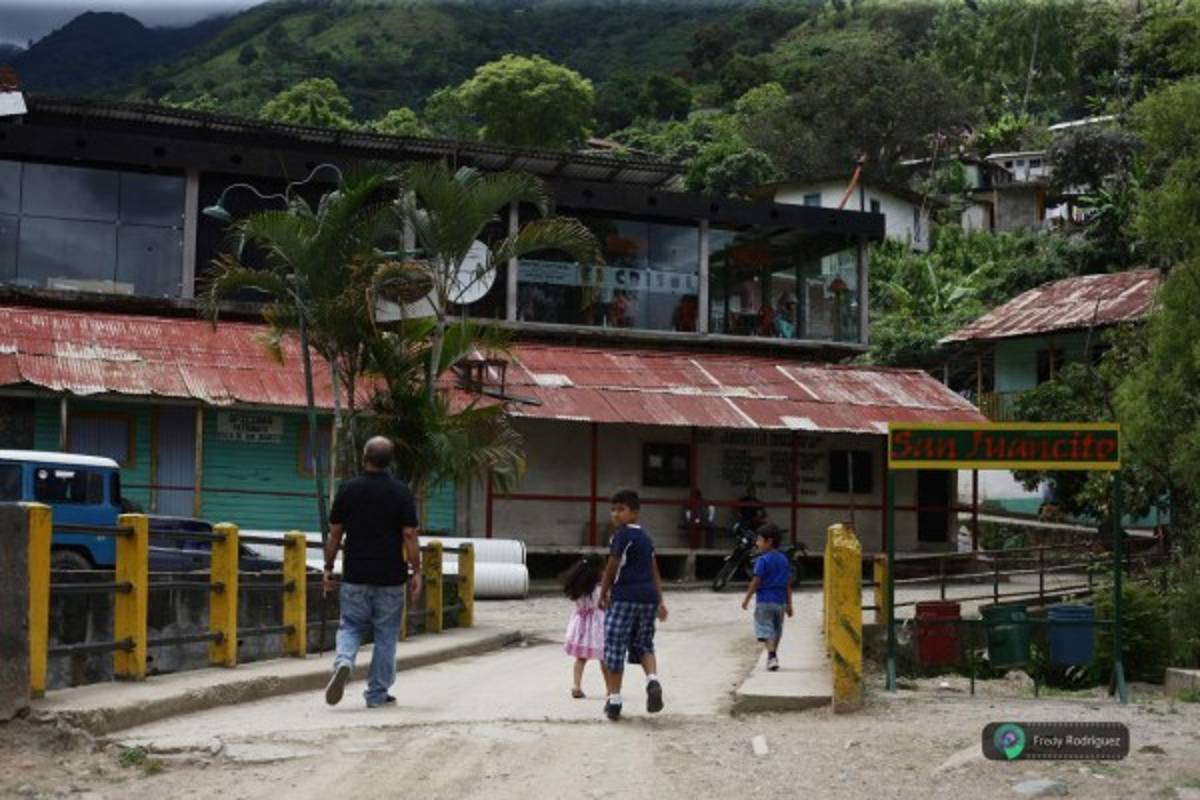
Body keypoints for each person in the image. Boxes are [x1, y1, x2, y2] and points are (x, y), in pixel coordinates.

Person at [322, 436, 422, 708]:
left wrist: (328, 568)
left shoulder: (348, 489)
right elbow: (410, 535)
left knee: (351, 626)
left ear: (364, 456)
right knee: (386, 634)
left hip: (355, 573)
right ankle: (377, 694)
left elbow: (334, 534)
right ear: (390, 461)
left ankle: (344, 661)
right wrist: (416, 571)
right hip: (390, 577)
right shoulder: (401, 492)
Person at [598, 488, 668, 721]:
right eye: (613, 509)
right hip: (647, 599)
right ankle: (653, 680)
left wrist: (604, 590)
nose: (616, 514)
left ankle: (615, 700)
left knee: (614, 647)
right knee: (644, 643)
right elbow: (654, 570)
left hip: (624, 598)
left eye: (621, 509)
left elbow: (613, 565)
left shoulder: (621, 536)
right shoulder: (647, 538)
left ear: (635, 513)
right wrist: (660, 600)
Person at [740, 524, 793, 671]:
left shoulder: (762, 560)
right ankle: (773, 656)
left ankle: (771, 655)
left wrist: (746, 599)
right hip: (780, 603)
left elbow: (756, 582)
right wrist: (790, 605)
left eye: (759, 540)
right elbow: (788, 584)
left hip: (764, 602)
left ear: (769, 542)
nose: (757, 543)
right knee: (777, 630)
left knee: (765, 628)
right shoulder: (784, 560)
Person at [560, 556, 606, 699]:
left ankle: (576, 686)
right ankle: (610, 689)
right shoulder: (598, 590)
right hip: (597, 626)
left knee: (581, 658)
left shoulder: (579, 589)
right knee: (604, 658)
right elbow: (604, 605)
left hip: (581, 625)